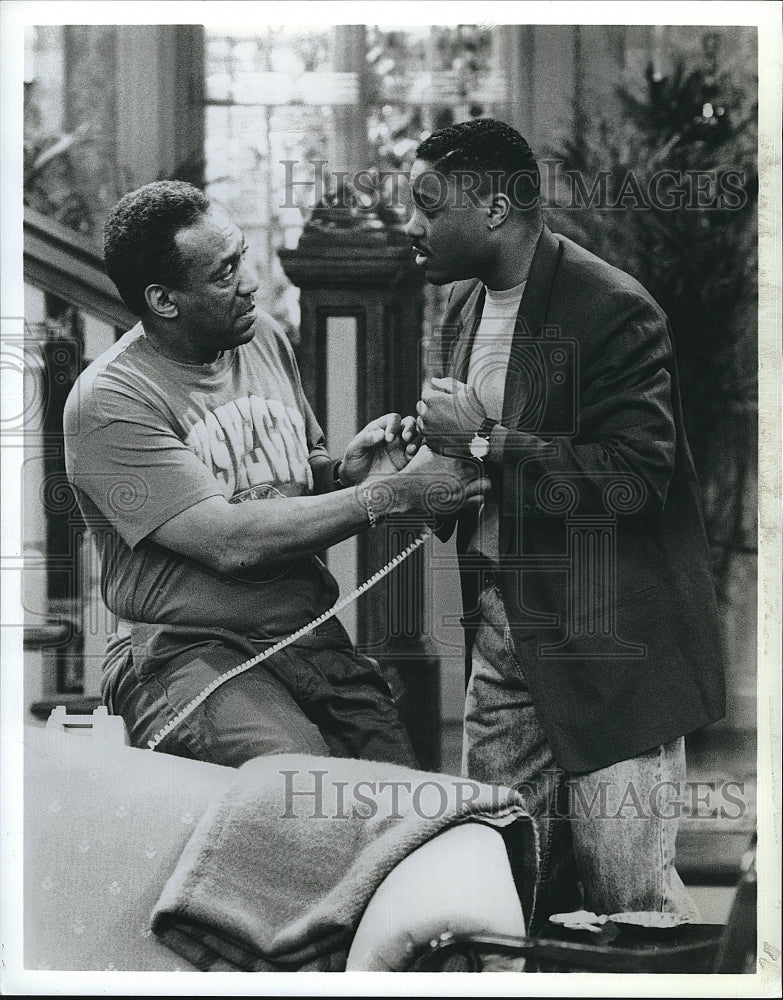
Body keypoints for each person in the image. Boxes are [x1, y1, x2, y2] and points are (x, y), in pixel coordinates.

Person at [408, 119, 726, 929]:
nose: (411, 227)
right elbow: (493, 455)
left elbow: (632, 481)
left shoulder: (613, 308)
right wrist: (435, 453)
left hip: (609, 648)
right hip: (504, 637)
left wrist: (481, 437)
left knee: (629, 908)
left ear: (493, 208)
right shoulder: (462, 305)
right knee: (497, 894)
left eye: (425, 205)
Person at [63, 179, 484, 770]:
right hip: (184, 649)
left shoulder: (259, 336)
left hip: (303, 632)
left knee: (399, 790)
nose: (250, 282)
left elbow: (288, 479)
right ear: (164, 300)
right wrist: (394, 493)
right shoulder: (110, 401)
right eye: (224, 271)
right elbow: (234, 542)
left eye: (242, 256)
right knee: (296, 782)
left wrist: (345, 472)